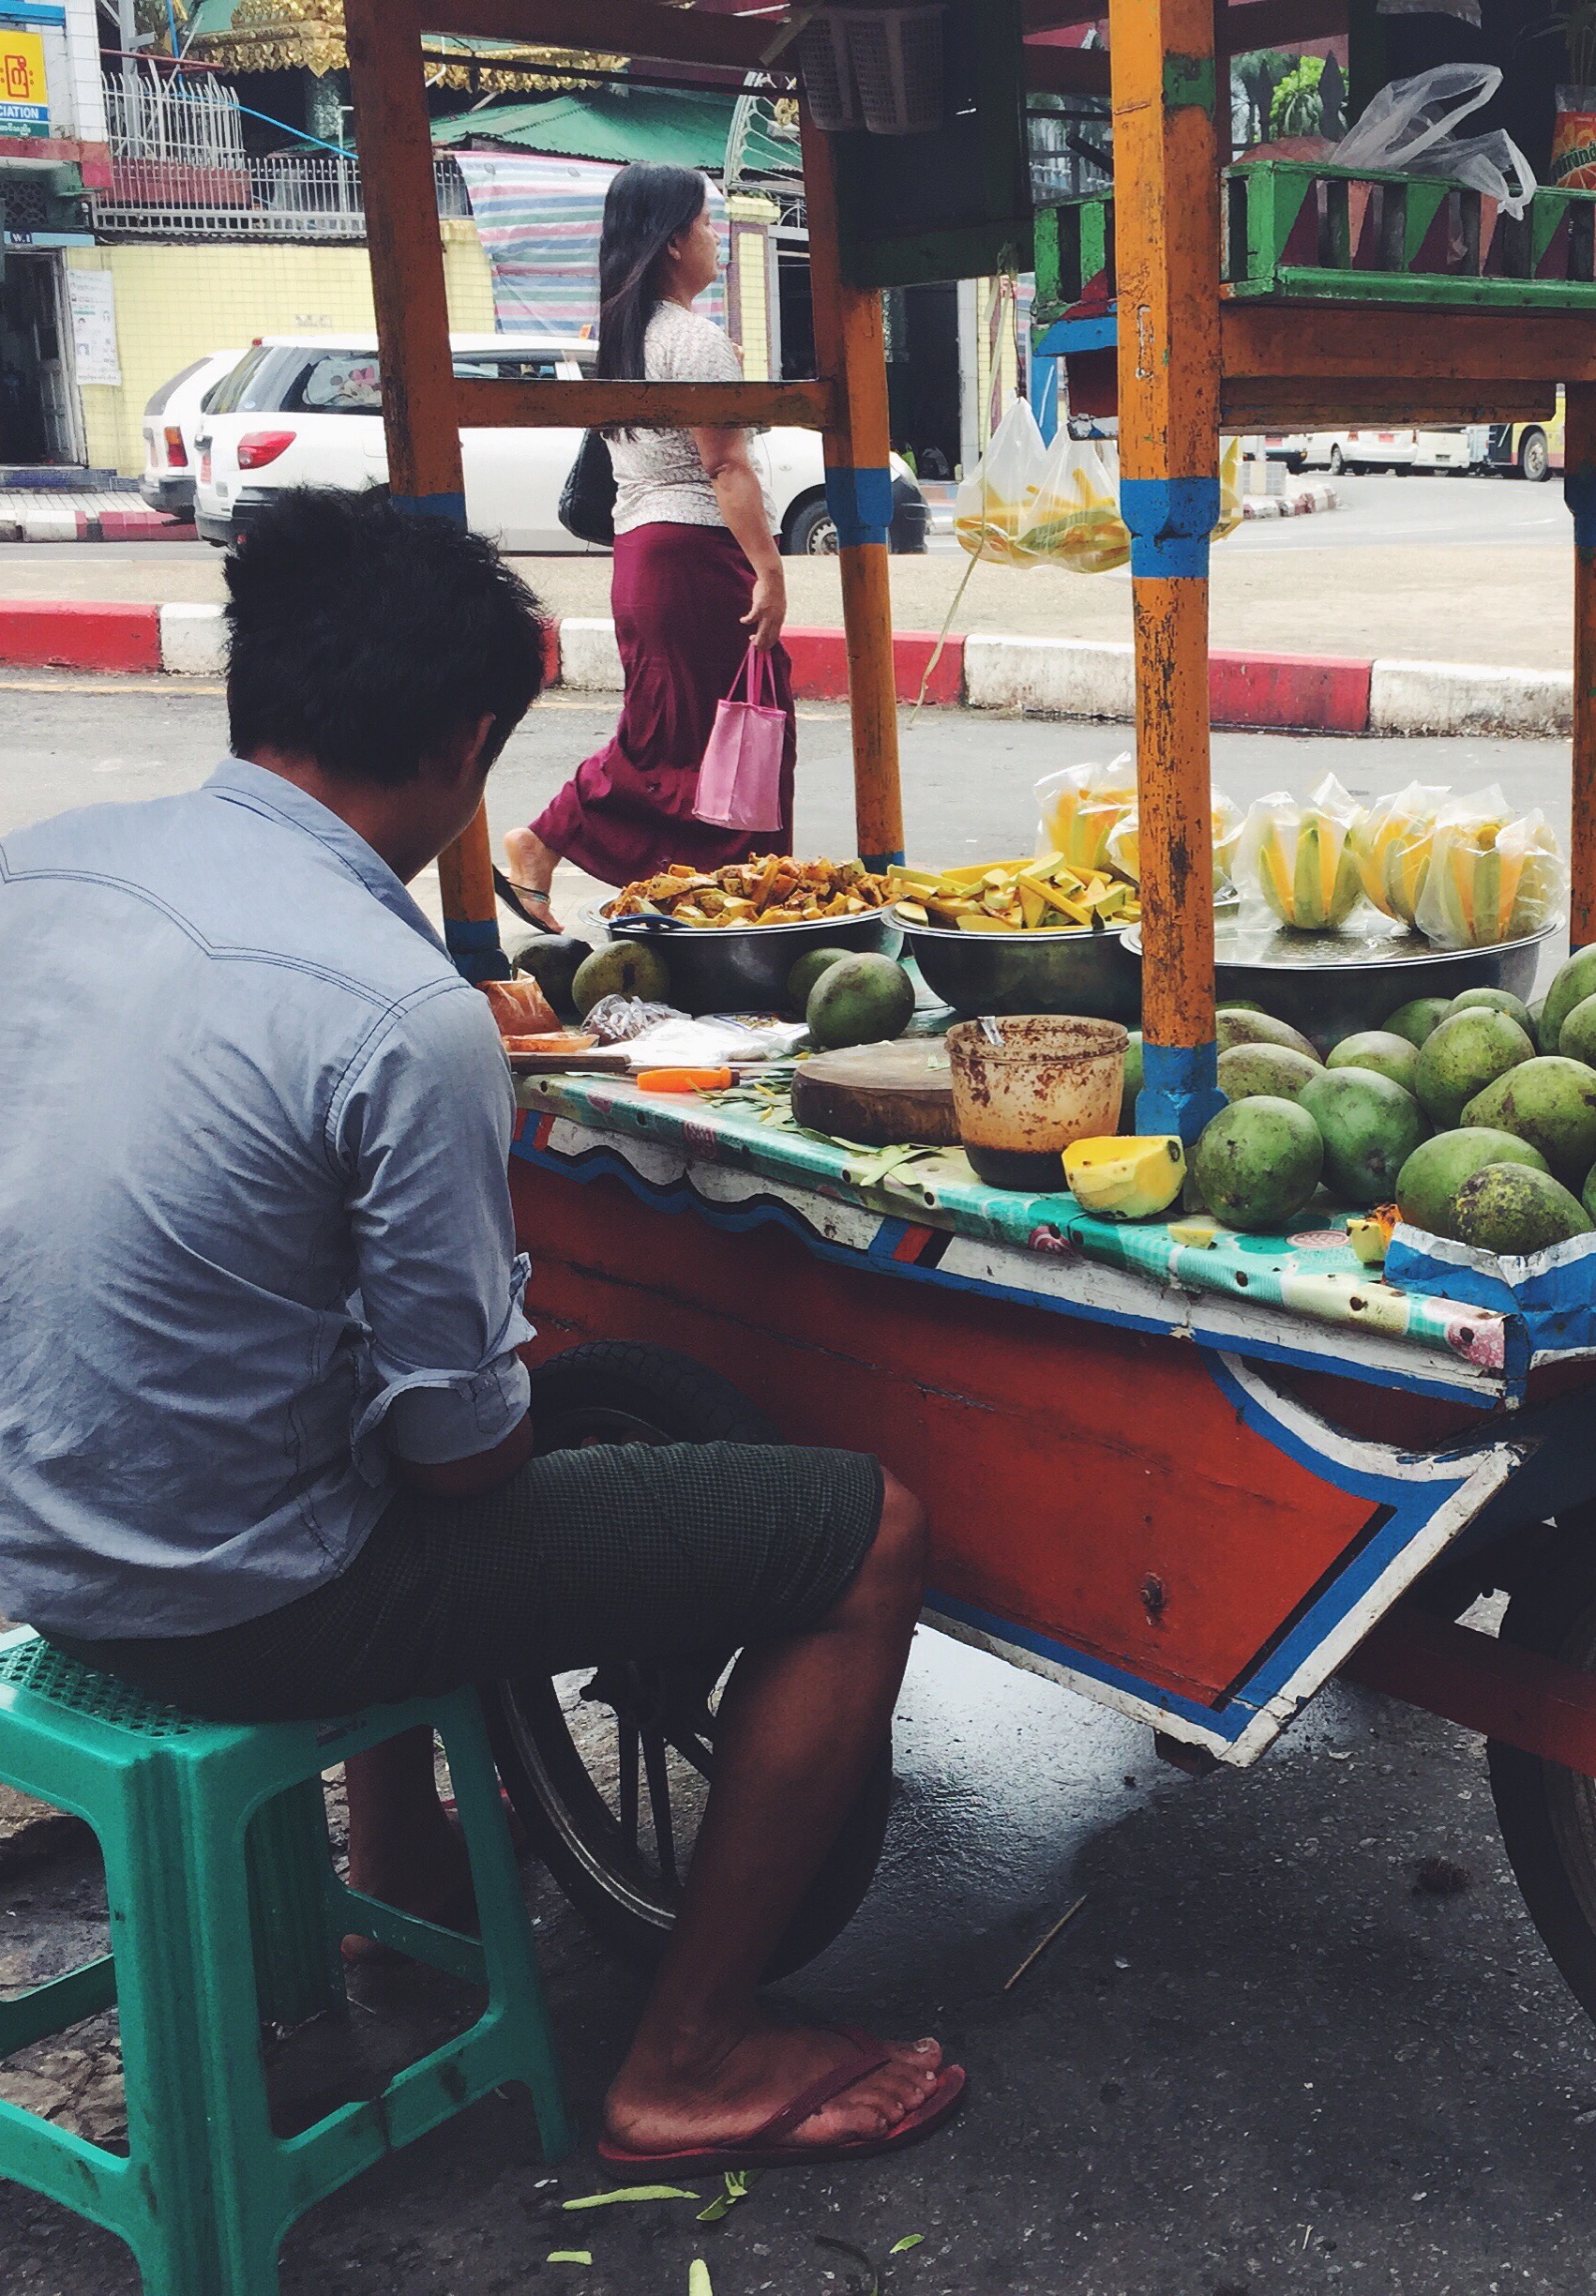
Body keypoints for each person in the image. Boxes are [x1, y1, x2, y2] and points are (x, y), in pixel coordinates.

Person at [0, 488, 960, 2172]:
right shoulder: (400, 1013)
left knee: (356, 1402)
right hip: (234, 1601)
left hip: (40, 1536)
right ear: (465, 742)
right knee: (867, 1529)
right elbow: (470, 1456)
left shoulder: (44, 870)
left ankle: (400, 1877)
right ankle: (693, 2048)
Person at [497, 163, 794, 935]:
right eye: (704, 224)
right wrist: (770, 568)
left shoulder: (626, 337)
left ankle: (709, 901)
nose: (715, 240)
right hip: (694, 557)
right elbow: (725, 465)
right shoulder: (691, 343)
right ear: (670, 242)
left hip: (644, 557)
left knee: (683, 733)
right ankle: (546, 840)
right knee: (730, 727)